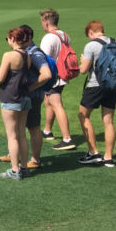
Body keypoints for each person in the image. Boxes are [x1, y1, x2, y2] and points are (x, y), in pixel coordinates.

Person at [0, 25, 53, 169]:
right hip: (24, 95)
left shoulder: (34, 54)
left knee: (32, 128)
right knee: (18, 130)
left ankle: (34, 159)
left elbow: (46, 74)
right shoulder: (25, 53)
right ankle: (14, 155)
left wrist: (29, 88)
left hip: (31, 96)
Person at [0, 28, 31, 180]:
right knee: (22, 134)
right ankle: (24, 167)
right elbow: (12, 75)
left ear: (13, 39)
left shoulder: (9, 55)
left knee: (12, 136)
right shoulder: (27, 55)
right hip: (24, 98)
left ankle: (15, 170)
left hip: (10, 98)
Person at [77, 21, 116, 167]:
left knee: (83, 115)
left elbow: (83, 70)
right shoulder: (115, 42)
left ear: (91, 32)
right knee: (108, 121)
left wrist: (82, 61)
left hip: (96, 85)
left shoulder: (91, 45)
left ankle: (93, 152)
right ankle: (109, 157)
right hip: (113, 85)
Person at [39, 9, 76, 150]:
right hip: (63, 74)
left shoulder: (48, 38)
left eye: (42, 21)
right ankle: (47, 131)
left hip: (53, 76)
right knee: (48, 101)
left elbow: (43, 59)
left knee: (56, 104)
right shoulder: (64, 35)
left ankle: (67, 138)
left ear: (46, 22)